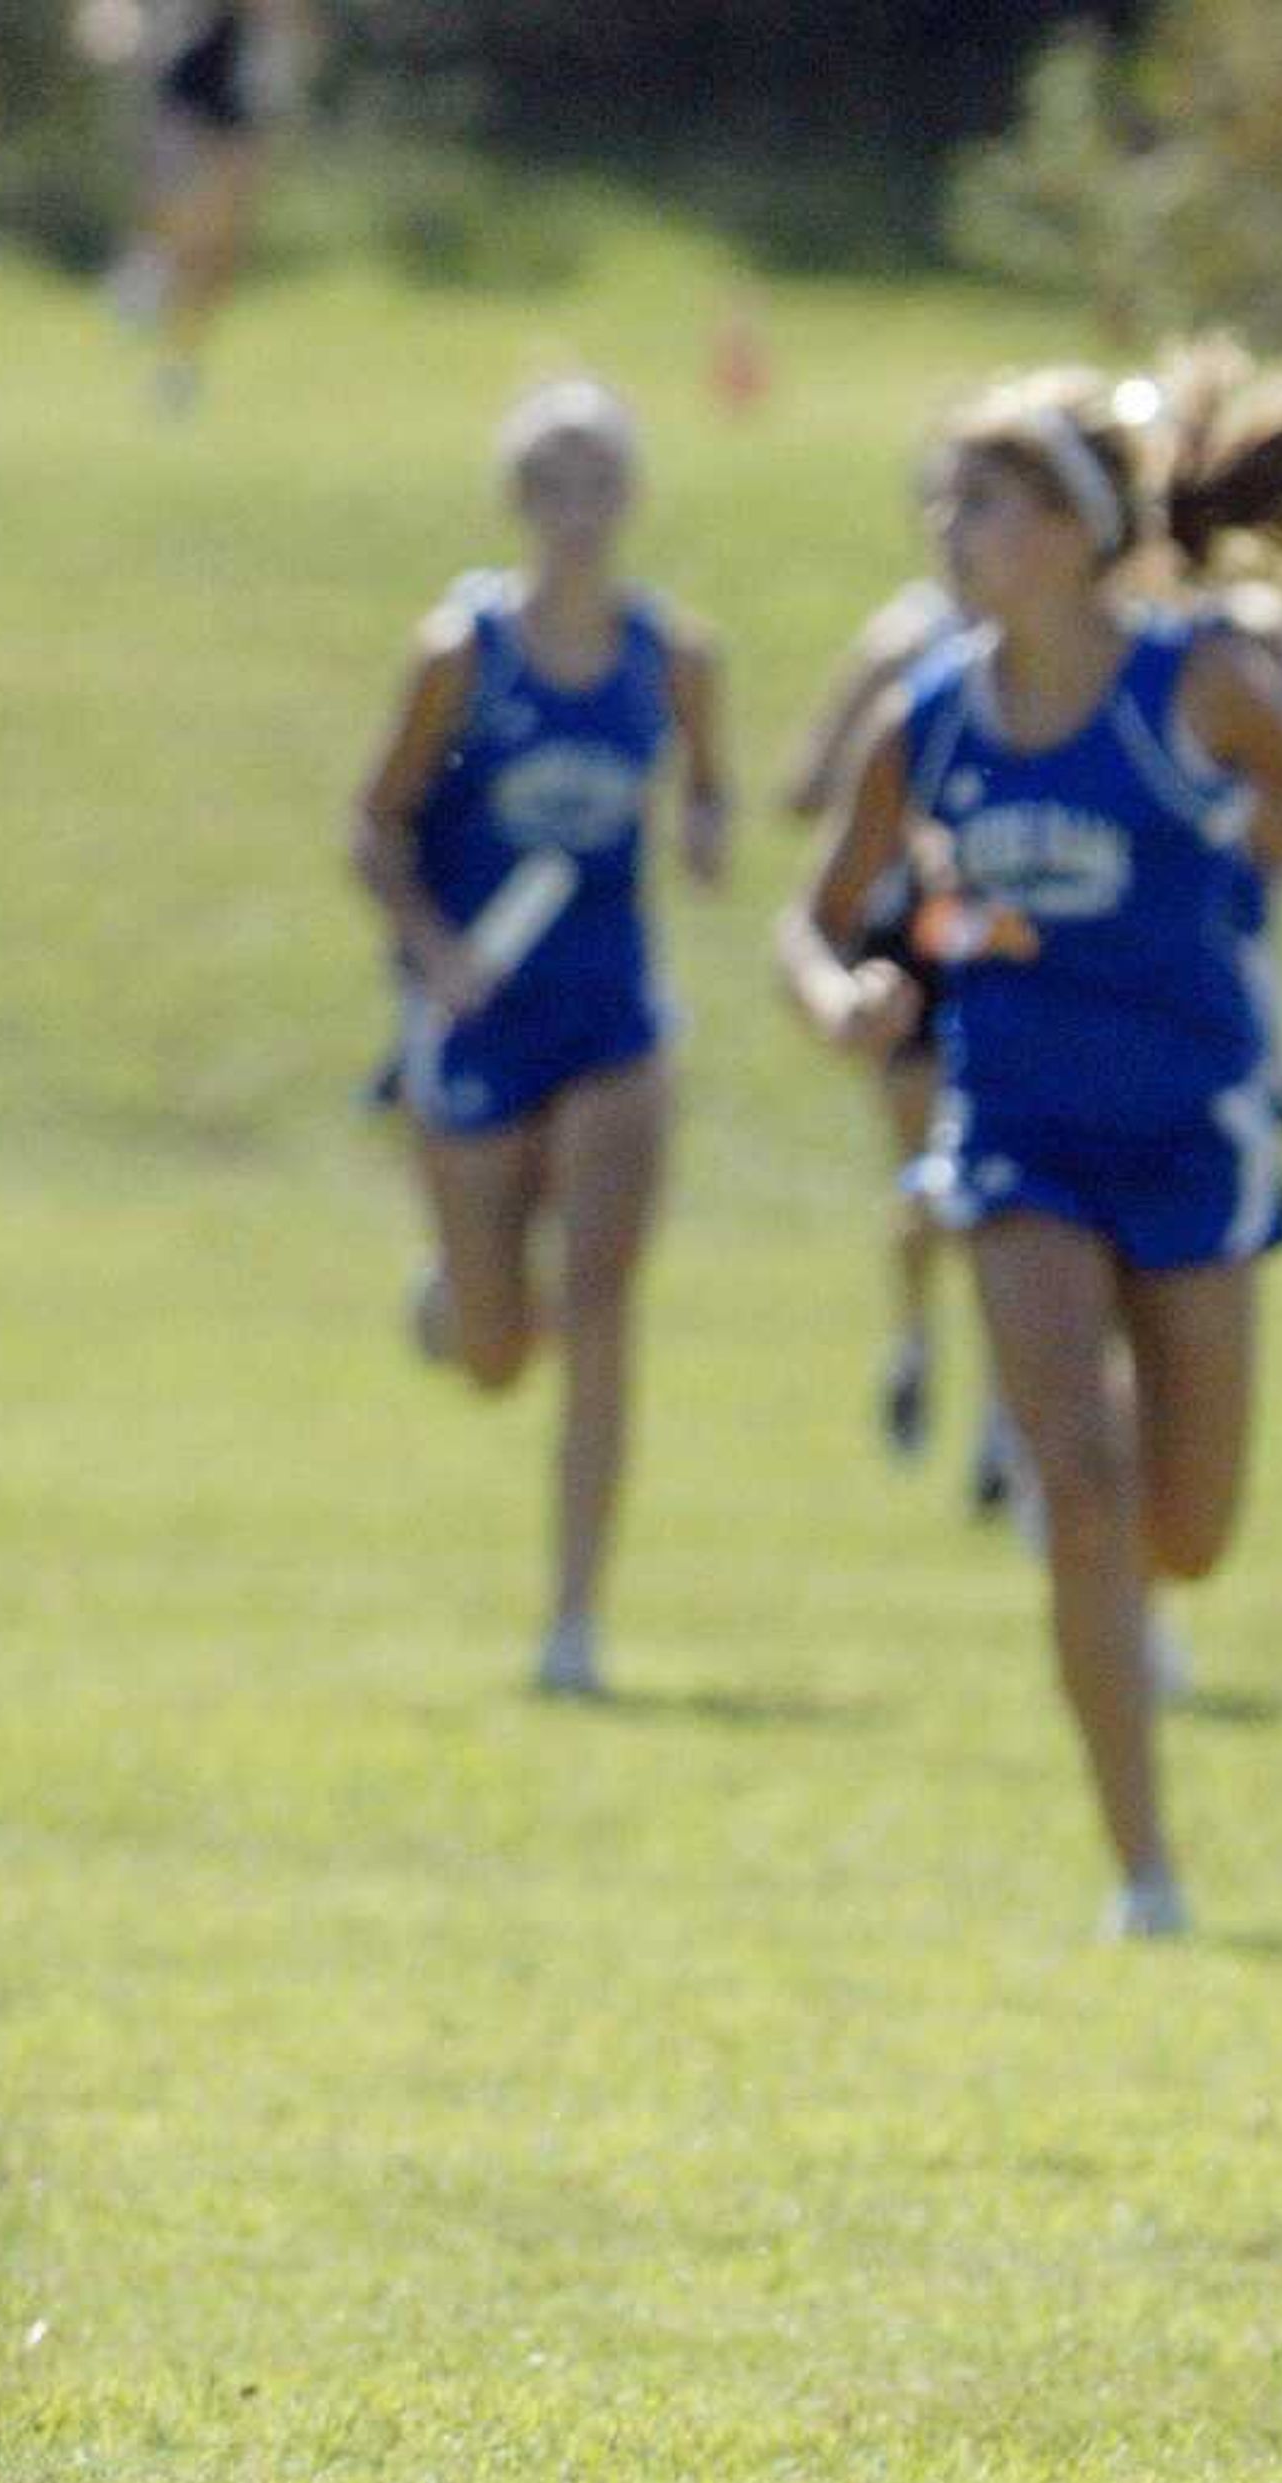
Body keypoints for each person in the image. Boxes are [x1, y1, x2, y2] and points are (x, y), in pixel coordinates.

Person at [780, 349, 1282, 1942]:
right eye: (943, 499)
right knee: (1077, 1483)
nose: (949, 525)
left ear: (1067, 525)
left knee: (1186, 1534)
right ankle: (1144, 1870)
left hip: (1195, 1139)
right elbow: (816, 904)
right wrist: (840, 987)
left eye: (980, 499)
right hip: (1018, 1136)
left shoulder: (1192, 685)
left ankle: (1124, 1447)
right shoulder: (925, 717)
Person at [349, 379, 728, 1699]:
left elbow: (709, 788)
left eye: (599, 480)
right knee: (502, 1359)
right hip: (479, 1021)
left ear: (628, 499)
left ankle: (576, 1620)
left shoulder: (671, 655)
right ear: (519, 501)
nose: (577, 508)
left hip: (611, 1014)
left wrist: (705, 827)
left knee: (603, 1300)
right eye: (552, 481)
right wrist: (435, 953)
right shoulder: (462, 653)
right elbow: (373, 827)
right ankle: (461, 1300)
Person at [778, 554, 1013, 1503]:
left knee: (1017, 1180)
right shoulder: (906, 640)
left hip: (1015, 927)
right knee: (928, 1171)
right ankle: (917, 1336)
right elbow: (808, 784)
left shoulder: (1067, 646)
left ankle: (1003, 1421)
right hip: (910, 935)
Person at [109, 0, 310, 414]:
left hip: (245, 89)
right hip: (187, 72)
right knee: (171, 198)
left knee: (219, 248)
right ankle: (150, 263)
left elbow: (292, 21)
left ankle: (180, 364)